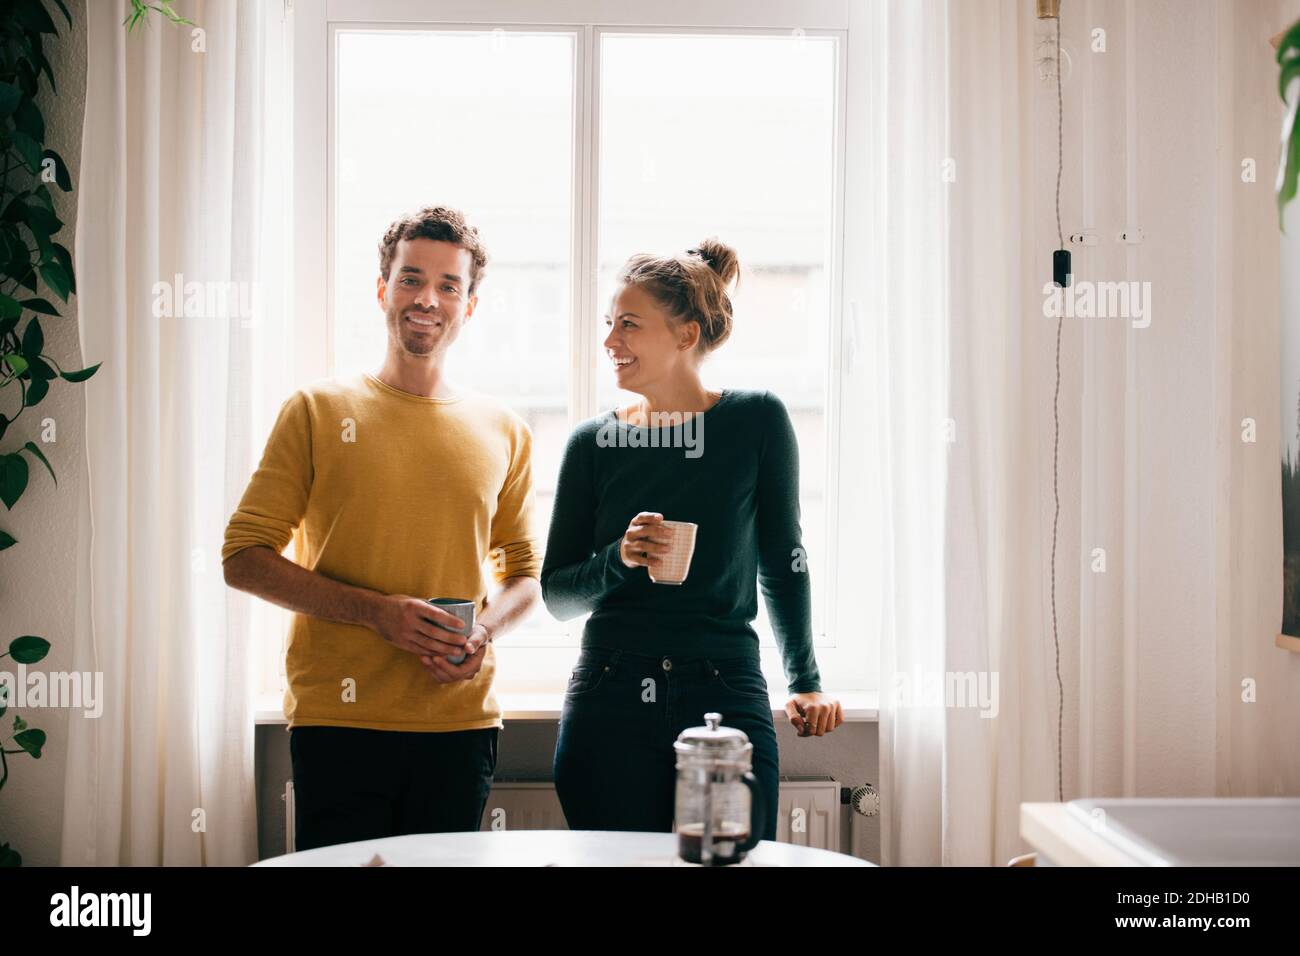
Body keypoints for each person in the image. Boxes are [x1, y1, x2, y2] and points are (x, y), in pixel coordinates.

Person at [222, 206, 541, 851]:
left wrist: (482, 630)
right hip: (339, 723)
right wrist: (375, 613)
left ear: (469, 305)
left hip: (459, 727)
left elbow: (526, 577)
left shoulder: (504, 429)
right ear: (382, 289)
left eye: (449, 285)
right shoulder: (317, 410)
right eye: (410, 279)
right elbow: (243, 557)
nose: (428, 299)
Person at [542, 237, 843, 841]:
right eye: (609, 325)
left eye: (627, 325)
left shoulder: (756, 421)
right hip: (611, 687)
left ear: (685, 335)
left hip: (724, 684)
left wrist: (804, 680)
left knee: (729, 861)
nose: (609, 343)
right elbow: (557, 597)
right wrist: (618, 560)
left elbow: (783, 562)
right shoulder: (590, 444)